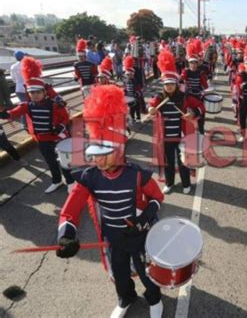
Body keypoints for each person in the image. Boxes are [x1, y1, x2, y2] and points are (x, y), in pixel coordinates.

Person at [55, 85, 165, 318]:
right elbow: (71, 208)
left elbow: (157, 196)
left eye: (104, 154)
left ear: (118, 151)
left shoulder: (136, 173)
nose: (98, 159)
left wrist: (145, 218)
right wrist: (66, 235)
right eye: (95, 153)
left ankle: (155, 299)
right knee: (120, 272)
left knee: (146, 271)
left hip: (138, 235)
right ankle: (126, 298)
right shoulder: (89, 176)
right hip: (113, 236)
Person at [0, 57, 74, 193]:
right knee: (51, 162)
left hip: (57, 137)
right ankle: (56, 181)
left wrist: (60, 127)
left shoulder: (54, 104)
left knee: (64, 161)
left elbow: (65, 117)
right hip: (42, 139)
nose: (35, 95)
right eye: (31, 92)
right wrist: (6, 114)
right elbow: (15, 112)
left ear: (44, 92)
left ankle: (70, 182)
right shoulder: (27, 105)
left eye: (38, 92)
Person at [148, 51, 204, 194]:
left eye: (172, 84)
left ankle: (186, 184)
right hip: (166, 136)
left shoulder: (185, 97)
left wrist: (192, 113)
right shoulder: (160, 97)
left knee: (183, 161)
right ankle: (169, 183)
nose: (169, 87)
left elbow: (201, 107)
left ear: (176, 84)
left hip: (181, 135)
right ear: (164, 85)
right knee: (168, 162)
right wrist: (151, 109)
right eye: (167, 85)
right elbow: (152, 104)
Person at [181, 43, 209, 134]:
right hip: (188, 96)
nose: (193, 65)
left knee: (201, 114)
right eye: (191, 63)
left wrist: (203, 91)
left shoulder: (200, 73)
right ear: (188, 63)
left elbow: (205, 86)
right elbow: (181, 79)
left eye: (194, 63)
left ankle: (201, 131)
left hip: (198, 96)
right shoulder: (186, 71)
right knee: (185, 114)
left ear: (197, 64)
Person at [0, 68, 25, 164]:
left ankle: (17, 158)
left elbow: (5, 91)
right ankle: (18, 158)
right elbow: (6, 91)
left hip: (2, 105)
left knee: (4, 142)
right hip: (3, 104)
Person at [10, 50, 27, 128]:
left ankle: (24, 124)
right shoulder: (26, 64)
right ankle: (29, 124)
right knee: (31, 106)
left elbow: (13, 79)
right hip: (27, 89)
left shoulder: (13, 66)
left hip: (19, 89)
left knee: (23, 107)